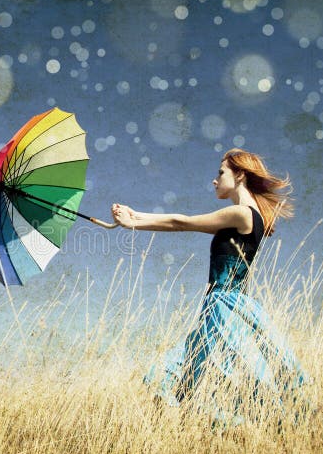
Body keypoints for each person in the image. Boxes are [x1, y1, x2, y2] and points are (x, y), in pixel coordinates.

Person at [111, 149, 307, 422]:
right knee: (186, 371)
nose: (215, 180)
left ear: (239, 175)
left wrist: (134, 221)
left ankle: (225, 429)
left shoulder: (243, 214)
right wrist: (135, 216)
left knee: (203, 373)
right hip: (226, 306)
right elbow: (179, 222)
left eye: (221, 172)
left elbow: (182, 223)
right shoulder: (250, 215)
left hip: (224, 307)